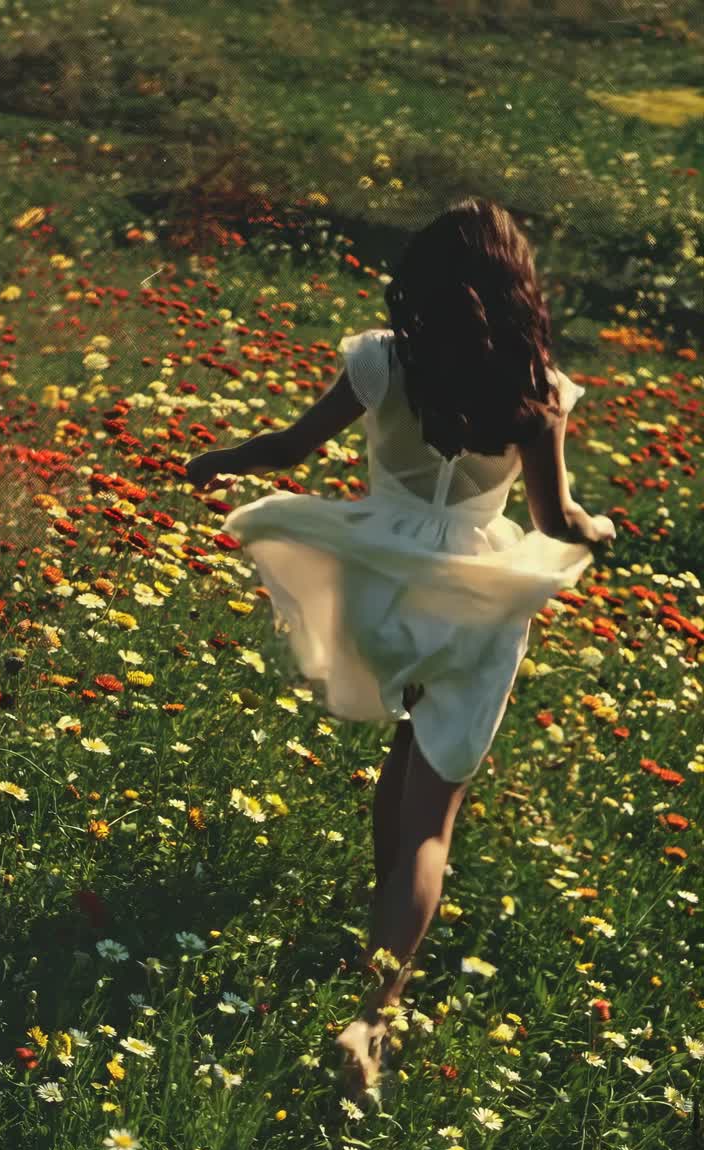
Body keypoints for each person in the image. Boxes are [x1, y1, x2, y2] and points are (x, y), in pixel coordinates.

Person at [184, 196, 616, 1096]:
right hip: (476, 600)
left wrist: (222, 459)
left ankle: (380, 935)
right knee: (432, 816)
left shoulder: (382, 363)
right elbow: (554, 520)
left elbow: (294, 449)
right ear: (519, 288)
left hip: (378, 587)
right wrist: (598, 528)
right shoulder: (538, 393)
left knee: (401, 764)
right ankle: (373, 1015)